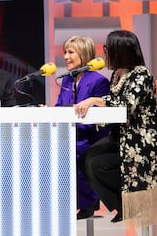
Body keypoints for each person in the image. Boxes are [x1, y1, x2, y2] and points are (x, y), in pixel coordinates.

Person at [75, 30, 157, 227]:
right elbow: (113, 101)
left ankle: (133, 205)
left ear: (119, 50)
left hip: (140, 141)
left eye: (107, 48)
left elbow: (126, 104)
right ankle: (123, 206)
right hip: (121, 136)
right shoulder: (117, 74)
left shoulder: (141, 74)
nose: (104, 52)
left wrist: (95, 100)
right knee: (86, 159)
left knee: (97, 164)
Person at [55, 36, 110, 220]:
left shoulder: (98, 81)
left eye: (71, 52)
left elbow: (102, 114)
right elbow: (60, 106)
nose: (66, 57)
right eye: (65, 52)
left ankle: (88, 201)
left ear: (84, 54)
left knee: (76, 151)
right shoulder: (67, 81)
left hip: (90, 137)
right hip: (70, 134)